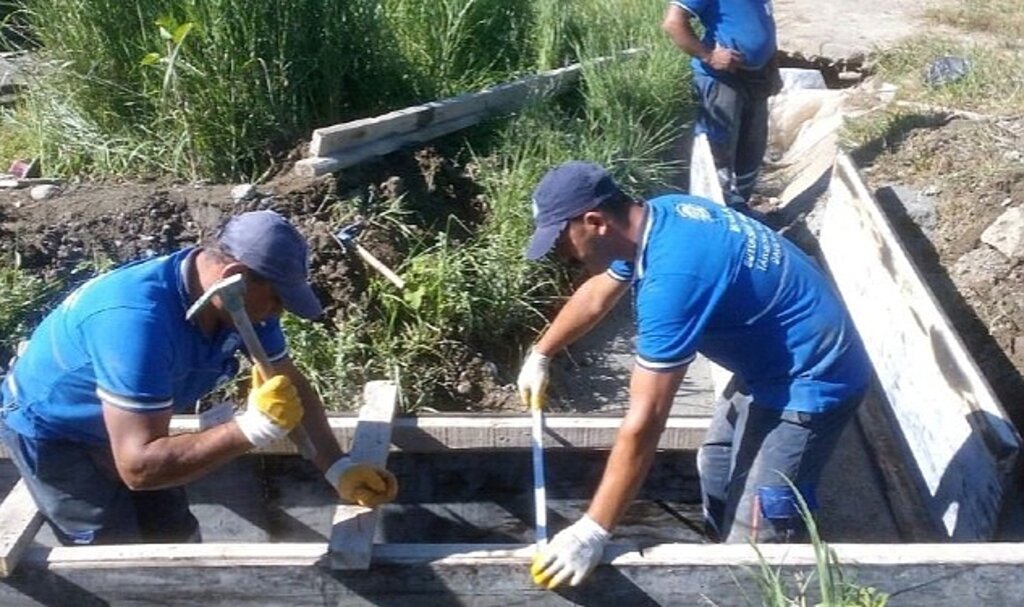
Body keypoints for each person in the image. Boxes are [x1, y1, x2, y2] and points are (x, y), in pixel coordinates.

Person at [517, 162, 871, 589]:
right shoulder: (658, 217)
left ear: (595, 222)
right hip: (767, 360)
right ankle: (718, 558)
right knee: (716, 462)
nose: (563, 255)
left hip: (812, 377)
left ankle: (758, 580)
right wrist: (541, 353)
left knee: (762, 523)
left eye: (562, 243)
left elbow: (646, 419)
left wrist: (593, 529)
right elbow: (596, 296)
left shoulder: (673, 279)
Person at [0, 210, 398, 545]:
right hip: (55, 430)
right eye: (278, 299)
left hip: (130, 422)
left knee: (174, 535)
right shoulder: (137, 322)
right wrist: (252, 429)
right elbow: (138, 467)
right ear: (237, 275)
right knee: (111, 553)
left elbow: (287, 382)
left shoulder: (237, 302)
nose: (279, 313)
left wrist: (337, 468)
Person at [662, 0, 781, 214]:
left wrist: (773, 69)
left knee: (752, 150)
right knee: (718, 151)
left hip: (757, 78)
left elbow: (765, 25)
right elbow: (673, 23)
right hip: (723, 79)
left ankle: (741, 209)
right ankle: (716, 215)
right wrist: (709, 55)